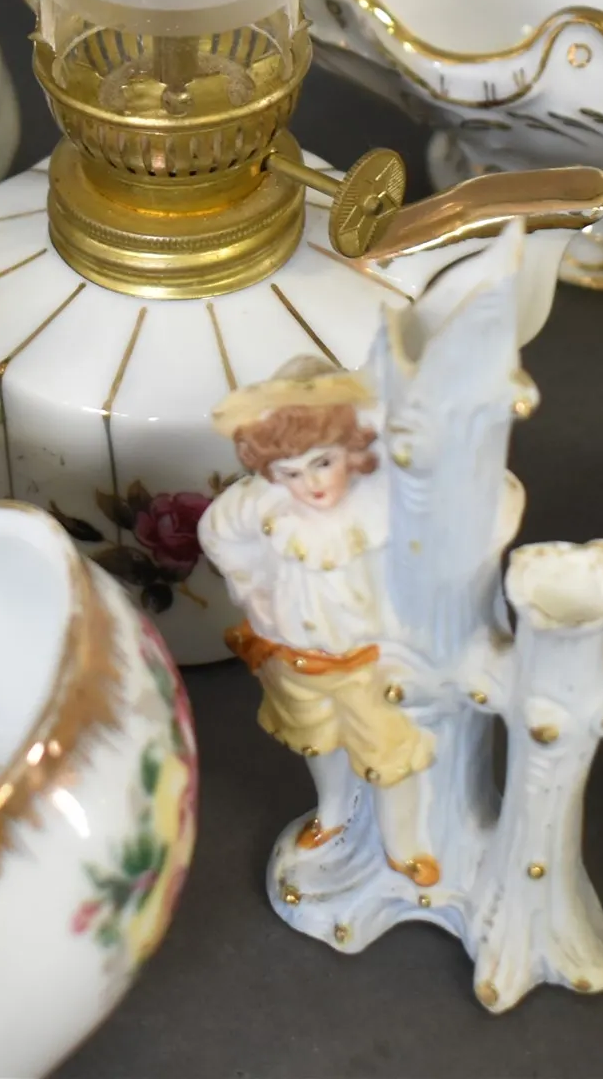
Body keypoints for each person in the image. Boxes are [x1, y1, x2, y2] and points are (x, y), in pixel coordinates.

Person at [197, 356, 442, 886]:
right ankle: (334, 812)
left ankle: (403, 842)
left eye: (322, 463)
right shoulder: (263, 505)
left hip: (368, 661)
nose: (309, 484)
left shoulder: (375, 502)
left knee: (389, 751)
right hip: (293, 657)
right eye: (290, 473)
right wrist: (252, 591)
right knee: (317, 740)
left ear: (351, 452)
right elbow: (217, 532)